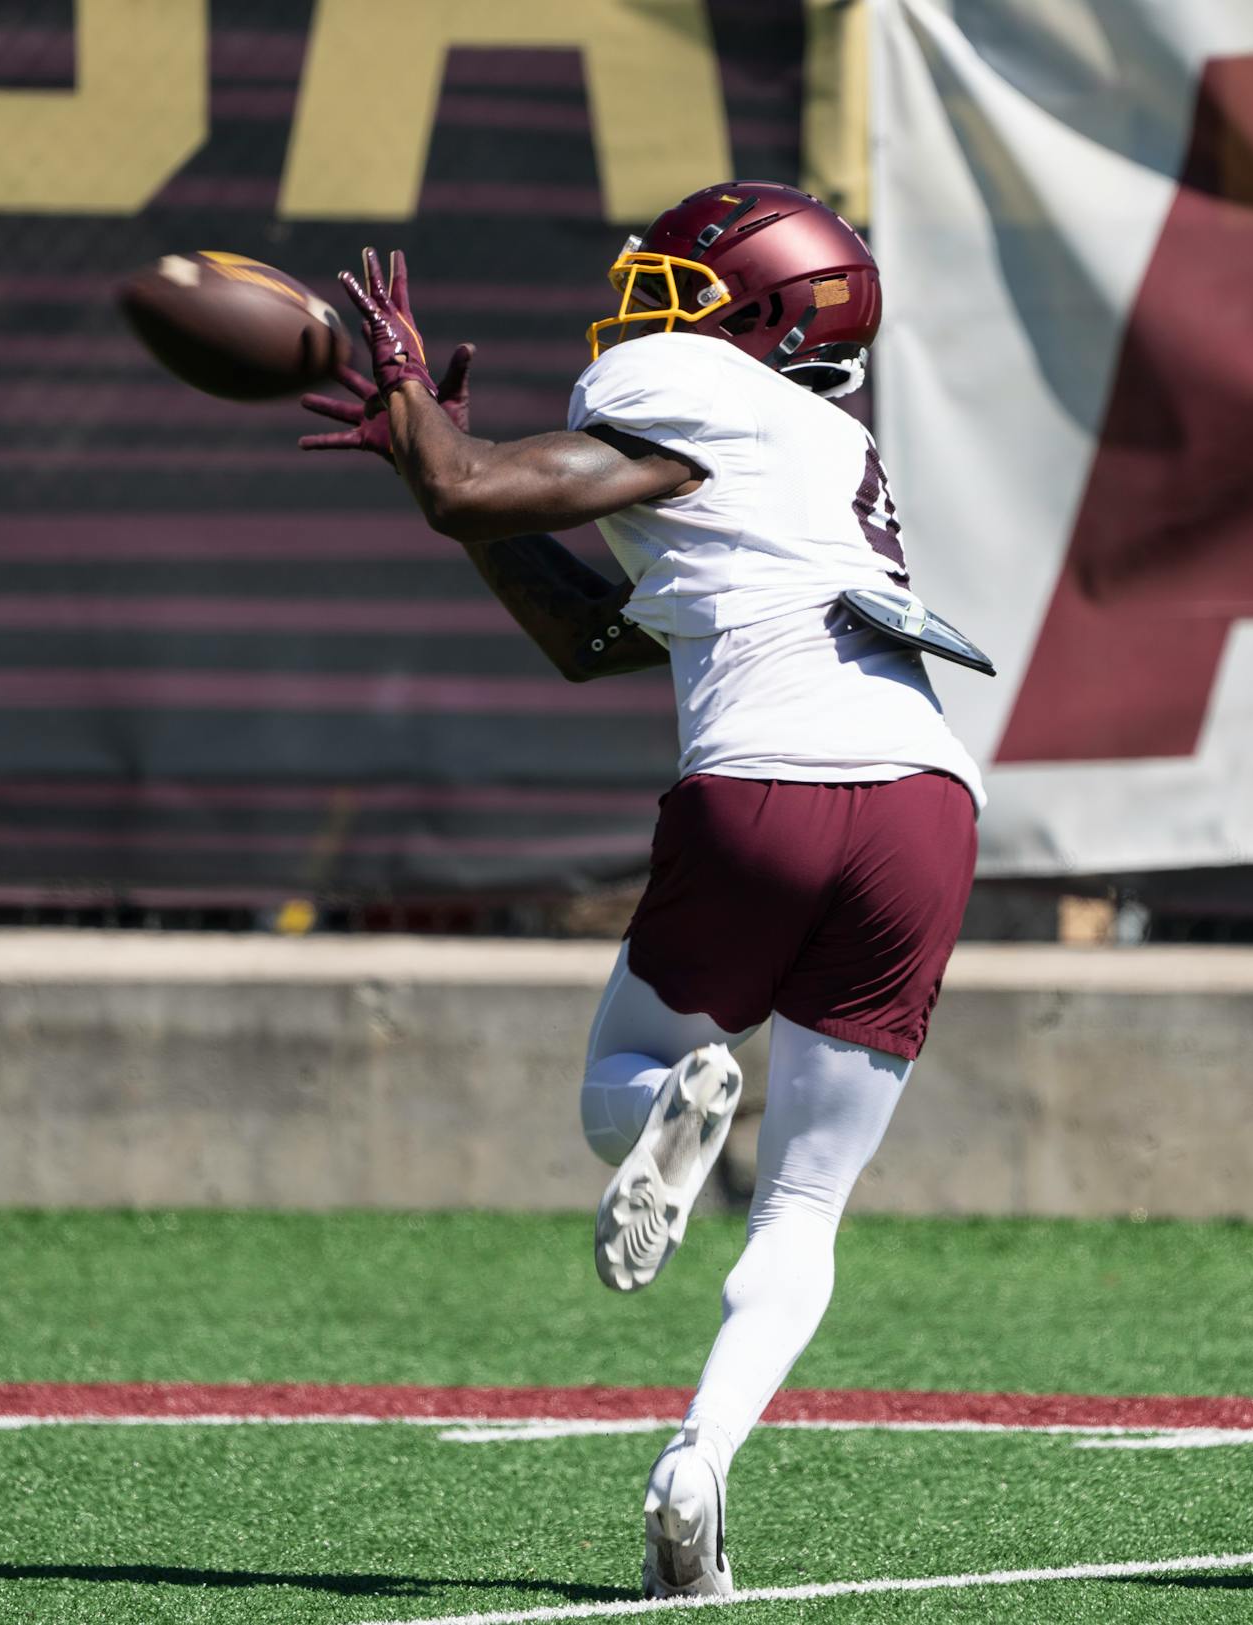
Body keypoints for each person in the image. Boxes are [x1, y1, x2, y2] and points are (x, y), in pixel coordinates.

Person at [301, 181, 984, 1600]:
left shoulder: (690, 390)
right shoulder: (824, 445)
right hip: (924, 802)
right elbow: (591, 635)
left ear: (764, 314)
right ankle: (699, 1465)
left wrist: (422, 410)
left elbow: (472, 483)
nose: (649, 310)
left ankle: (670, 1101)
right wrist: (444, 475)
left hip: (765, 791)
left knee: (622, 1069)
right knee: (803, 1212)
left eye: (686, 288)